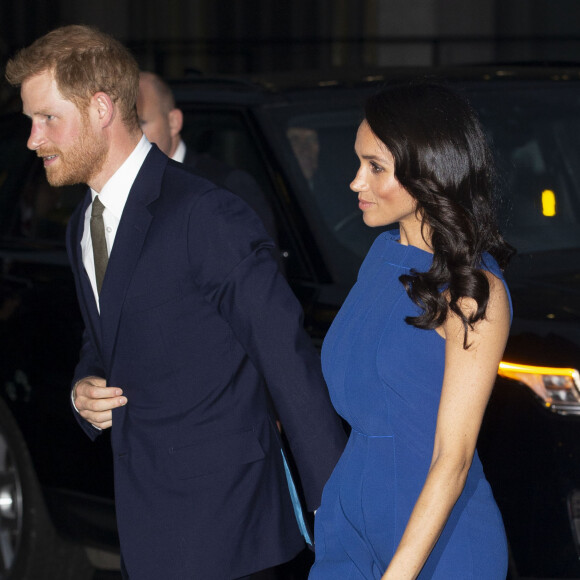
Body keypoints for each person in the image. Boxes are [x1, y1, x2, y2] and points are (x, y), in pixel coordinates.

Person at [6, 25, 347, 580]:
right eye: (29, 121)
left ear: (99, 109)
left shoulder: (205, 213)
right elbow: (103, 337)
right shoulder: (80, 225)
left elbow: (288, 362)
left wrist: (340, 513)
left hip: (233, 531)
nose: (32, 139)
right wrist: (83, 388)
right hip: (147, 525)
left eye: (47, 118)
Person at [308, 82, 514, 580]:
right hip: (349, 526)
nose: (356, 183)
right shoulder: (381, 258)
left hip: (438, 546)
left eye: (375, 167)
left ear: (429, 171)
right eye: (359, 163)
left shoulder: (473, 290)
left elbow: (453, 458)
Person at [137, 71, 278, 243]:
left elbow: (259, 265)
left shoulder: (226, 186)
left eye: (140, 123)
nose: (131, 136)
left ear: (173, 122)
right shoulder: (110, 189)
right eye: (124, 126)